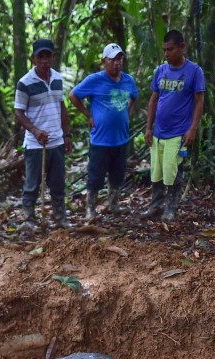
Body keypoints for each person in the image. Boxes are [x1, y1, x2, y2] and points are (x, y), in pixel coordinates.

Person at [69, 43, 139, 220]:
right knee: (96, 176)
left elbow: (134, 98)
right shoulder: (95, 80)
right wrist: (88, 115)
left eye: (119, 59)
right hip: (101, 140)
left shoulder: (128, 80)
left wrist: (127, 115)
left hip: (121, 139)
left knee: (117, 175)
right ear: (104, 61)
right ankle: (90, 209)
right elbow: (73, 95)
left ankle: (113, 205)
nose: (117, 63)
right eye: (113, 59)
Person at [142, 31, 206, 221]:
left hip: (178, 133)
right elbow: (153, 100)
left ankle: (170, 207)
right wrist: (148, 127)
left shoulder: (194, 71)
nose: (167, 54)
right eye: (164, 50)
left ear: (181, 47)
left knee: (174, 170)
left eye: (170, 49)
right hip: (159, 132)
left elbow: (199, 101)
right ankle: (155, 206)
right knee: (157, 170)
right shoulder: (161, 70)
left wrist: (193, 128)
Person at [14, 38, 73, 229]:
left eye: (48, 56)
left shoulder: (57, 78)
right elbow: (19, 112)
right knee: (32, 183)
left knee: (57, 183)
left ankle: (60, 218)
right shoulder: (25, 83)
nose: (44, 60)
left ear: (53, 57)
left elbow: (61, 106)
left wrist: (66, 135)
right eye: (41, 56)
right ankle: (29, 219)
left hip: (56, 141)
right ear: (34, 58)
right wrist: (35, 130)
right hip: (35, 144)